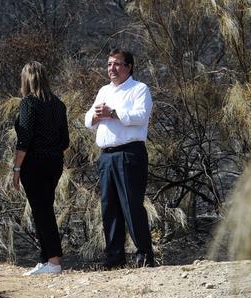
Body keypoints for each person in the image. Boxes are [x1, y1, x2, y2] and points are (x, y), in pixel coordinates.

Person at [84, 48, 157, 268]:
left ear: (129, 66)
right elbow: (89, 119)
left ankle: (144, 254)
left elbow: (140, 116)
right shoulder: (104, 90)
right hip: (106, 155)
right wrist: (96, 116)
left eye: (117, 64)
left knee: (131, 204)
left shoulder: (139, 89)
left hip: (129, 153)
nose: (112, 69)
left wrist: (113, 113)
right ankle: (114, 256)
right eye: (109, 64)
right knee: (109, 207)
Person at [12, 61, 69, 275]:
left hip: (34, 163)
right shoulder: (59, 104)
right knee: (45, 208)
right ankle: (46, 259)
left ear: (27, 79)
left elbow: (24, 138)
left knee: (41, 210)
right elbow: (65, 141)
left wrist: (17, 169)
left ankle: (53, 262)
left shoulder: (29, 103)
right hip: (55, 162)